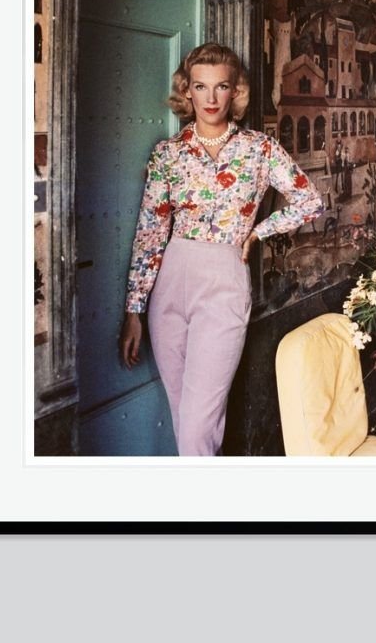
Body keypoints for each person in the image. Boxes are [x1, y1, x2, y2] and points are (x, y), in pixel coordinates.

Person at [119, 42, 323, 456]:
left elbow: (310, 201)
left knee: (199, 423)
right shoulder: (168, 154)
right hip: (170, 284)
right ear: (187, 91)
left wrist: (258, 232)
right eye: (200, 86)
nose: (211, 98)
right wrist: (133, 311)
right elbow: (150, 233)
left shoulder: (260, 149)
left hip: (224, 282)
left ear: (235, 91)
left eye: (221, 86)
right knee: (185, 419)